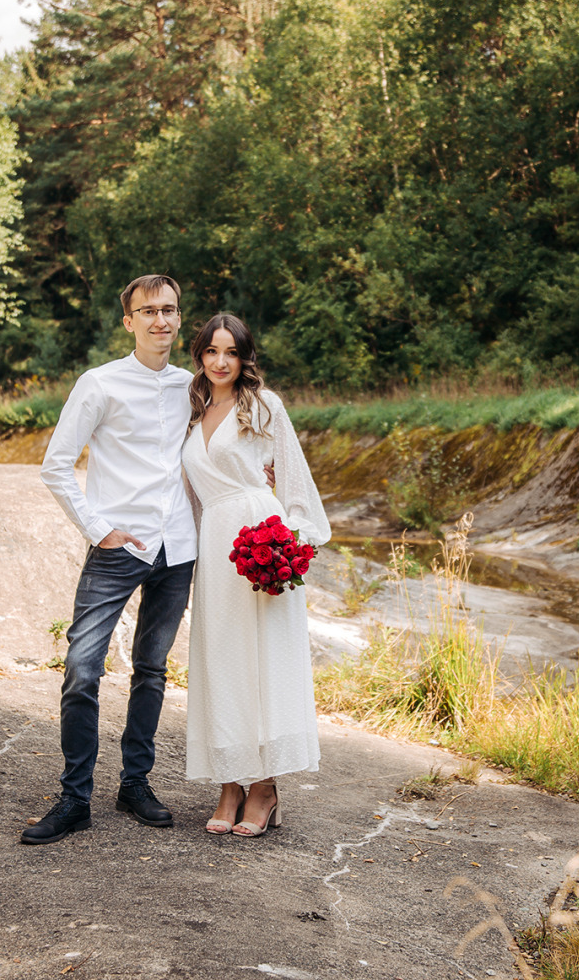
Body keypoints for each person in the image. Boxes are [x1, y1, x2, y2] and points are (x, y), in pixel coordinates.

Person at [26, 274, 197, 843]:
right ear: (128, 322)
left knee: (152, 669)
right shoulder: (99, 383)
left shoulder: (193, 386)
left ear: (178, 316)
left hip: (178, 548)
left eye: (169, 310)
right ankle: (75, 798)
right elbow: (56, 464)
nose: (161, 321)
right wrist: (99, 530)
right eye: (148, 312)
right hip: (119, 548)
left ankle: (135, 784)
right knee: (82, 669)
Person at [181, 314, 331, 837]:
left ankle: (264, 787)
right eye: (211, 352)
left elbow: (294, 481)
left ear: (245, 358)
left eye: (231, 352)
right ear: (199, 356)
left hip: (258, 540)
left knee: (264, 660)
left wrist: (286, 543)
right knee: (222, 660)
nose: (221, 362)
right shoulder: (191, 408)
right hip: (214, 544)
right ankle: (229, 782)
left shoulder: (264, 406)